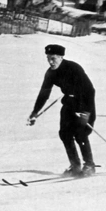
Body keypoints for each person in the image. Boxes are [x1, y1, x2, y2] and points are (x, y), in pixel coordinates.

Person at [27, 44, 97, 177]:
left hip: (84, 104)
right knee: (65, 134)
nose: (50, 62)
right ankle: (75, 166)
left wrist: (85, 112)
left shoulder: (73, 68)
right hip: (69, 104)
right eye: (48, 58)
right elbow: (44, 93)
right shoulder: (50, 73)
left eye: (53, 58)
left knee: (80, 134)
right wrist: (35, 112)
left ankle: (89, 165)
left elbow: (89, 90)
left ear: (60, 57)